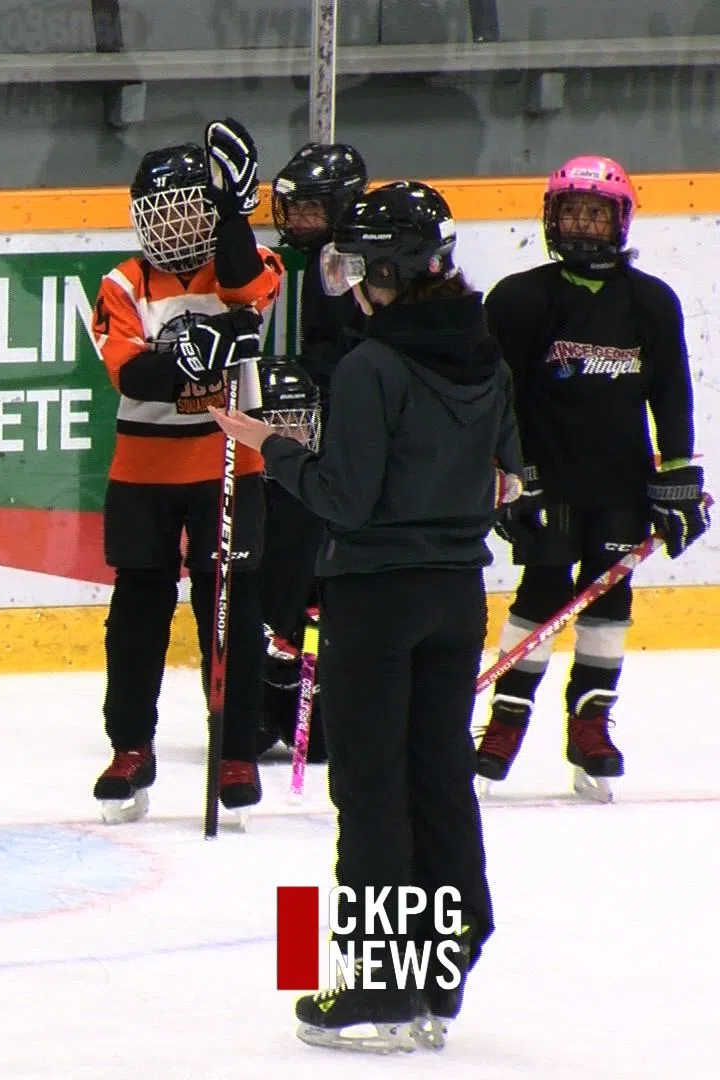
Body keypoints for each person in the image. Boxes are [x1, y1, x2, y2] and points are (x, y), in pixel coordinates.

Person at [210, 180, 512, 1052]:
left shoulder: (374, 366)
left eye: (357, 266)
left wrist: (271, 446)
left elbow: (344, 497)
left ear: (390, 269)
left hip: (376, 598)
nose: (348, 283)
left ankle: (378, 984)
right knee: (439, 776)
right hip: (456, 596)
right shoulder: (483, 353)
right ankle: (441, 968)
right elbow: (506, 474)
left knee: (372, 788)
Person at [474, 154, 707, 801]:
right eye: (571, 212)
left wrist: (679, 476)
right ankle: (507, 721)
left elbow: (672, 391)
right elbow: (497, 397)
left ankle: (590, 723)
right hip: (547, 480)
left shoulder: (651, 301)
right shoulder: (519, 298)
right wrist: (509, 474)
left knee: (609, 600)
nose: (582, 224)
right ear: (551, 219)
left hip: (621, 483)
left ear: (620, 221)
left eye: (596, 214)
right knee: (543, 591)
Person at [86, 118, 284, 824]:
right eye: (160, 214)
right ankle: (130, 747)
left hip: (230, 463)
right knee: (135, 617)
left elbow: (244, 287)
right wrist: (193, 357)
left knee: (231, 610)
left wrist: (235, 212)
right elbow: (131, 374)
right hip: (142, 472)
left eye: (191, 211)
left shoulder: (251, 262)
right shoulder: (122, 283)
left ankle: (236, 751)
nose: (173, 228)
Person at [257, 142, 370, 761]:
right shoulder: (313, 260)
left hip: (347, 447)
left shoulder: (357, 264)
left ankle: (322, 688)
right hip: (305, 441)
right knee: (285, 557)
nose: (298, 219)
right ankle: (270, 680)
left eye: (312, 208)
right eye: (293, 207)